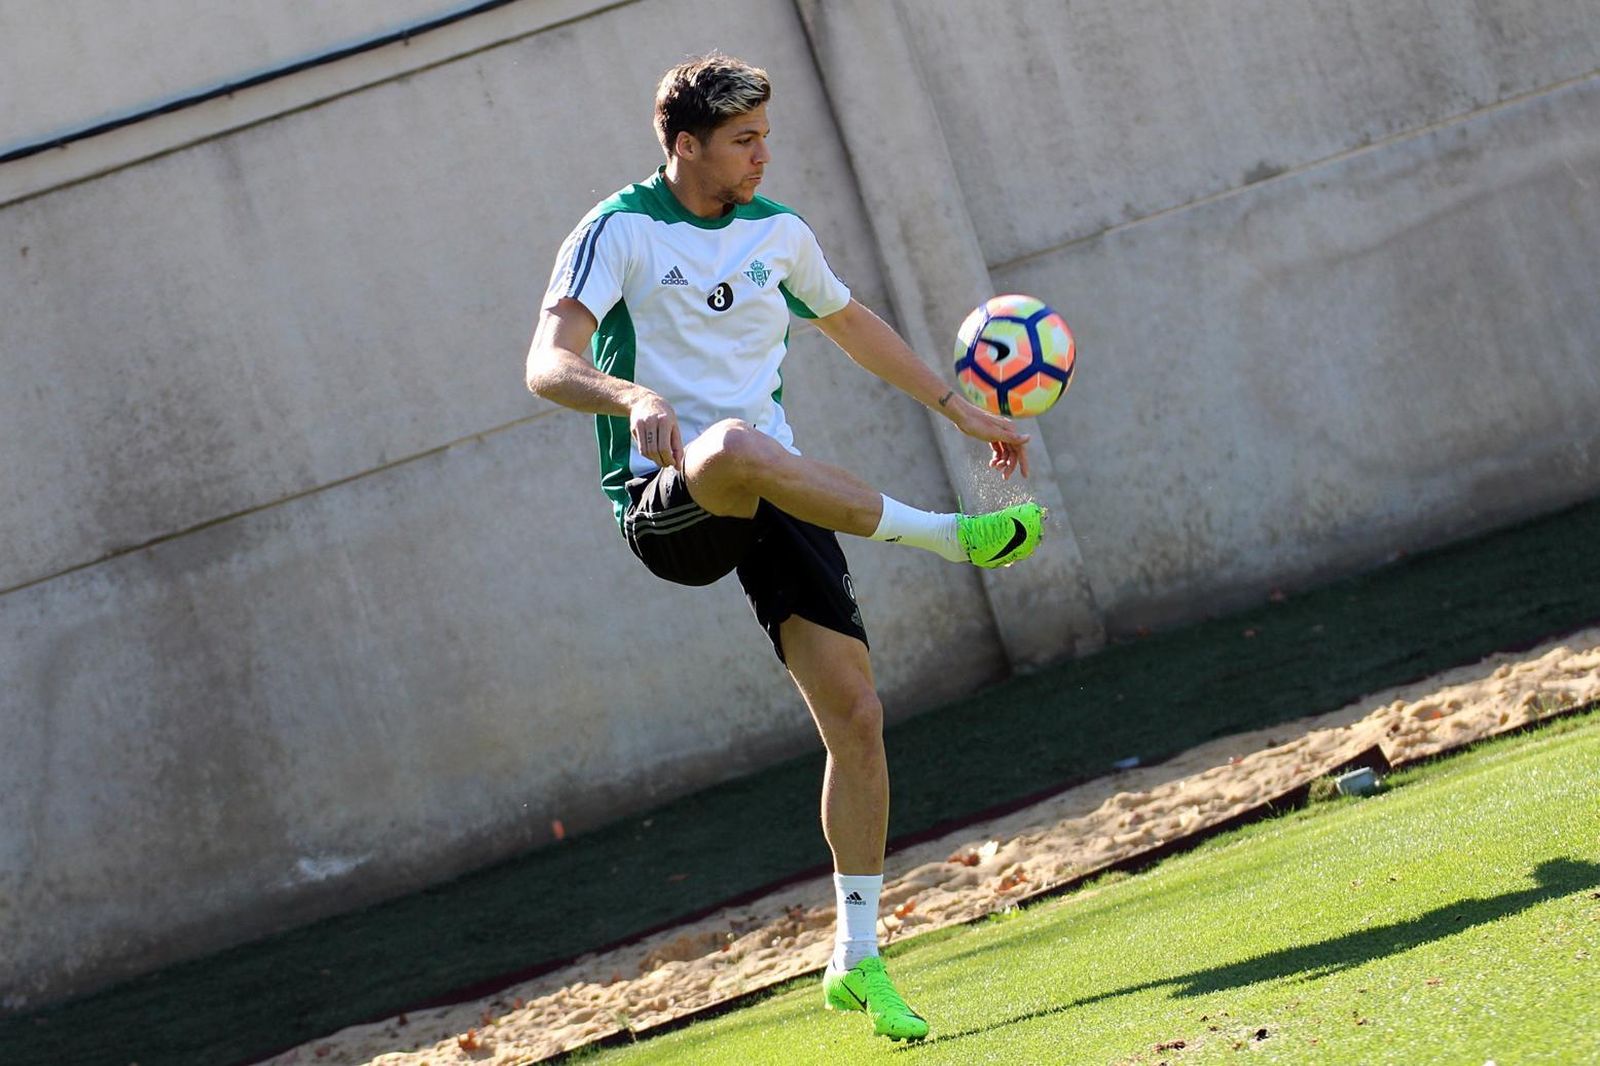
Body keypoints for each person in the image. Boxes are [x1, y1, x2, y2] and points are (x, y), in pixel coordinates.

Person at [525, 53, 1045, 1043]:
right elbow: (545, 362)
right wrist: (632, 396)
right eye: (742, 140)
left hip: (779, 488)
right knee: (730, 444)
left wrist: (964, 412)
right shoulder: (617, 229)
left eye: (766, 135)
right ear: (685, 144)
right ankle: (948, 537)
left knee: (856, 716)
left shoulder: (780, 233)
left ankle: (856, 956)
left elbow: (849, 322)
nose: (764, 155)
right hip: (670, 500)